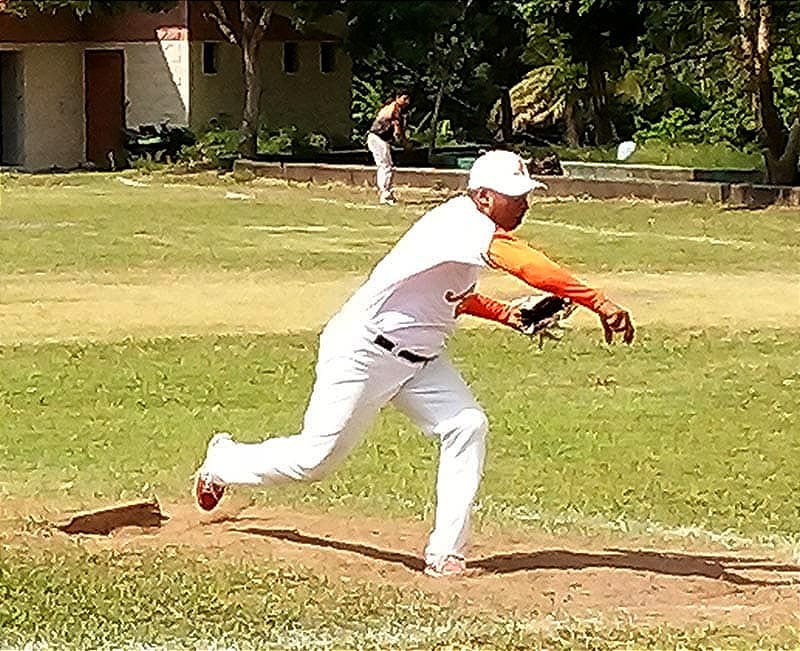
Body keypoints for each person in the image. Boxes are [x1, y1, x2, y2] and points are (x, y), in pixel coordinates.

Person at [194, 150, 635, 578]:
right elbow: (527, 265)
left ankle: (446, 553)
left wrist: (507, 314)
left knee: (467, 425)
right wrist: (596, 301)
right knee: (316, 460)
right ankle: (223, 462)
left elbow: (450, 298)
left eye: (526, 193)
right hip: (363, 350)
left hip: (420, 360)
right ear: (482, 196)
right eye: (514, 194)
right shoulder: (462, 223)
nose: (524, 202)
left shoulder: (470, 229)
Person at [366, 91, 410, 205]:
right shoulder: (394, 108)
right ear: (397, 98)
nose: (407, 102)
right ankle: (385, 194)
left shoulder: (393, 109)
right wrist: (403, 142)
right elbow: (397, 130)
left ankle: (386, 192)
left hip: (378, 139)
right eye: (404, 98)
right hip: (378, 139)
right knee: (385, 166)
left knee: (386, 165)